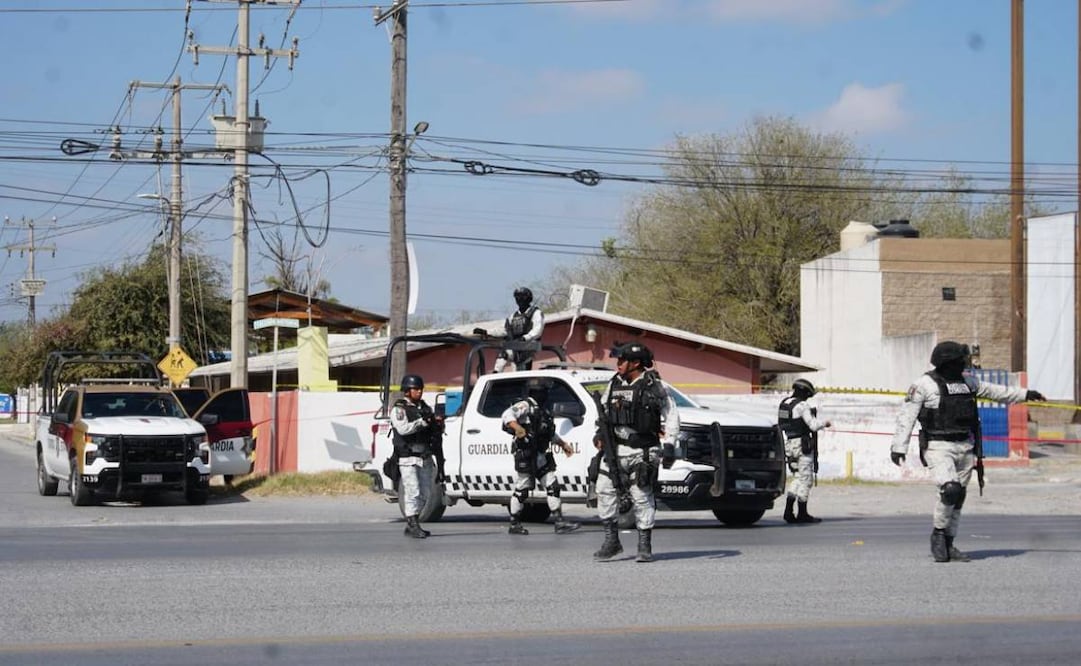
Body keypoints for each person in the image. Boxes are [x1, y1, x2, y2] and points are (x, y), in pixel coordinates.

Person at [891, 341, 1045, 562]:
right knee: (950, 489)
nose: (964, 364)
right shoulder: (924, 385)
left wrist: (1027, 394)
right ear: (947, 363)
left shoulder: (969, 382)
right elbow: (907, 416)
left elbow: (998, 392)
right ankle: (938, 534)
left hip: (965, 445)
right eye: (959, 361)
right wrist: (899, 447)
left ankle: (949, 542)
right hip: (938, 446)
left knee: (959, 496)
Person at [592, 342, 679, 563]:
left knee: (641, 496)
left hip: (643, 450)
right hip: (615, 450)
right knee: (603, 490)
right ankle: (612, 541)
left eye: (622, 361)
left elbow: (671, 415)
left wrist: (669, 443)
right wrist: (599, 435)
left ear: (636, 363)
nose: (618, 364)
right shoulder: (613, 384)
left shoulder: (655, 386)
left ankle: (644, 544)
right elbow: (602, 413)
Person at [501, 377, 580, 535]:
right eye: (543, 392)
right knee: (522, 489)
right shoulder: (525, 405)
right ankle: (514, 523)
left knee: (552, 486)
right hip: (526, 454)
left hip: (539, 454)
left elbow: (547, 432)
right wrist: (518, 428)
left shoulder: (542, 410)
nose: (545, 395)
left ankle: (559, 522)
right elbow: (507, 415)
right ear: (536, 392)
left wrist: (562, 444)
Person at [390, 374, 442, 539]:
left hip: (425, 455)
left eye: (420, 389)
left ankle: (412, 522)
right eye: (415, 389)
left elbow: (432, 429)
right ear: (407, 390)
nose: (419, 392)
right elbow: (403, 429)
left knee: (426, 493)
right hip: (408, 457)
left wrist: (437, 423)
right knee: (413, 491)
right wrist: (422, 422)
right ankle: (413, 524)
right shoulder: (400, 409)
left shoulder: (425, 408)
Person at [778, 378, 831, 524]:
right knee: (806, 480)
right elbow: (813, 426)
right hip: (802, 446)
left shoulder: (785, 403)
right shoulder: (802, 406)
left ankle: (788, 511)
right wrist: (825, 423)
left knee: (796, 477)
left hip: (789, 444)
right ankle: (802, 513)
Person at [493, 287, 544, 373]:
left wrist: (525, 338)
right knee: (504, 354)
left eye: (522, 297)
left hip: (529, 345)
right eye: (517, 297)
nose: (520, 300)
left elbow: (537, 330)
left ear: (528, 298)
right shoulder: (514, 316)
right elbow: (505, 330)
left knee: (523, 369)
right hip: (516, 345)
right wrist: (486, 332)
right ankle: (495, 374)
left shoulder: (536, 313)